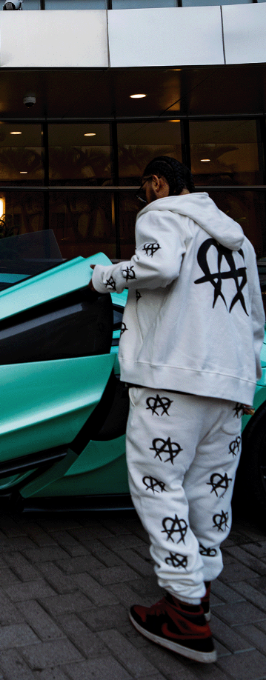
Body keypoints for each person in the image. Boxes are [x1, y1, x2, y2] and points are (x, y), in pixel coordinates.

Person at [90, 156, 264, 664]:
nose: (143, 199)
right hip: (228, 385)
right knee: (209, 489)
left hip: (173, 377)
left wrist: (104, 277)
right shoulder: (240, 240)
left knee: (157, 483)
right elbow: (254, 318)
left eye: (145, 188)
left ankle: (185, 610)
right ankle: (200, 587)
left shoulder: (163, 213)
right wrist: (246, 386)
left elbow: (156, 267)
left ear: (159, 183)